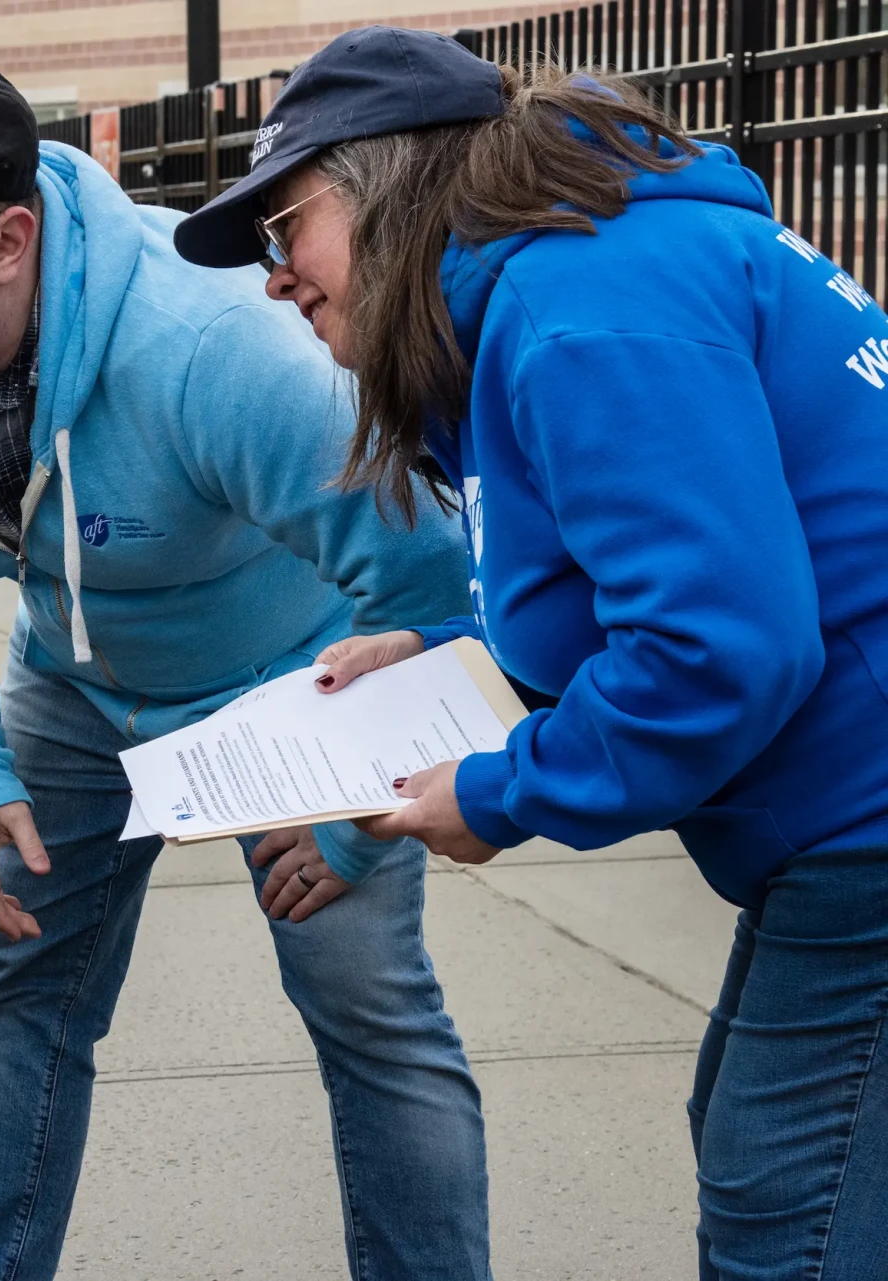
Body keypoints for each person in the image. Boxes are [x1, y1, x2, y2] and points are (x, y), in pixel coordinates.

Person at [175, 26, 888, 1279]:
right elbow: (634, 594)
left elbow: (719, 647)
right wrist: (447, 656)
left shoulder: (580, 312)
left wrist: (505, 792)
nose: (276, 279)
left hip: (868, 826)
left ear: (388, 184)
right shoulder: (567, 280)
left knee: (792, 1219)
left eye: (287, 230)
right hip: (846, 819)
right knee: (771, 1162)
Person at [0, 59, 490, 1280]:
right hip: (74, 681)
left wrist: (361, 829)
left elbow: (433, 592)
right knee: (22, 992)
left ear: (10, 240)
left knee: (367, 1011)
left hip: (297, 678)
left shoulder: (215, 353)